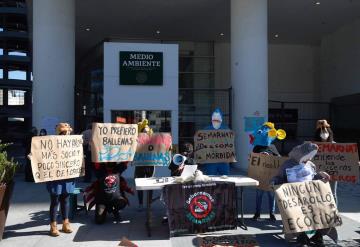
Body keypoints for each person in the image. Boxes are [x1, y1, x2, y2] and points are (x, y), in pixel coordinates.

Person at [271, 142, 332, 247]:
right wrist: (274, 182)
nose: (309, 159)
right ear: (300, 155)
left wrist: (320, 175)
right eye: (307, 157)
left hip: (310, 196)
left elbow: (313, 177)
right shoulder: (288, 164)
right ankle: (301, 237)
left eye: (311, 157)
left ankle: (318, 236)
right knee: (298, 214)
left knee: (323, 211)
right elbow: (279, 177)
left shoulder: (311, 165)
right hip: (293, 198)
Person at [250, 122, 286, 221]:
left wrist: (271, 156)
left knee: (271, 196)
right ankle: (257, 213)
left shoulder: (272, 147)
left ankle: (272, 214)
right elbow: (252, 160)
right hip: (260, 176)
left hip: (271, 177)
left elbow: (278, 159)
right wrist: (261, 155)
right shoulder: (257, 147)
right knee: (259, 195)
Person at [47, 123, 75, 237]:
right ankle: (53, 225)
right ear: (59, 132)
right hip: (55, 176)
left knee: (66, 199)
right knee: (55, 200)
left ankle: (65, 223)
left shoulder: (72, 144)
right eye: (63, 132)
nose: (65, 134)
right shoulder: (51, 143)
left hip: (67, 175)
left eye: (67, 132)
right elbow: (43, 155)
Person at [200, 108, 230, 175]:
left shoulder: (226, 129)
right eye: (214, 118)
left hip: (223, 159)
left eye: (218, 118)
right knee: (210, 178)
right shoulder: (206, 130)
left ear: (221, 119)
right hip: (211, 159)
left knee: (225, 178)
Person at [314, 119, 338, 204]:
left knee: (333, 193)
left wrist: (353, 163)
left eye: (325, 130)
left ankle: (335, 214)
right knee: (318, 194)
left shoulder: (335, 145)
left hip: (332, 172)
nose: (323, 133)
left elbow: (344, 158)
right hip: (318, 173)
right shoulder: (313, 146)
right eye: (321, 131)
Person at [134, 119, 155, 211]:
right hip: (140, 166)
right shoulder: (136, 141)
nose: (145, 133)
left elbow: (159, 149)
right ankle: (141, 204)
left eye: (147, 131)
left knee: (150, 185)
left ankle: (149, 204)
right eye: (144, 131)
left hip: (150, 165)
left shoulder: (153, 141)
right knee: (140, 185)